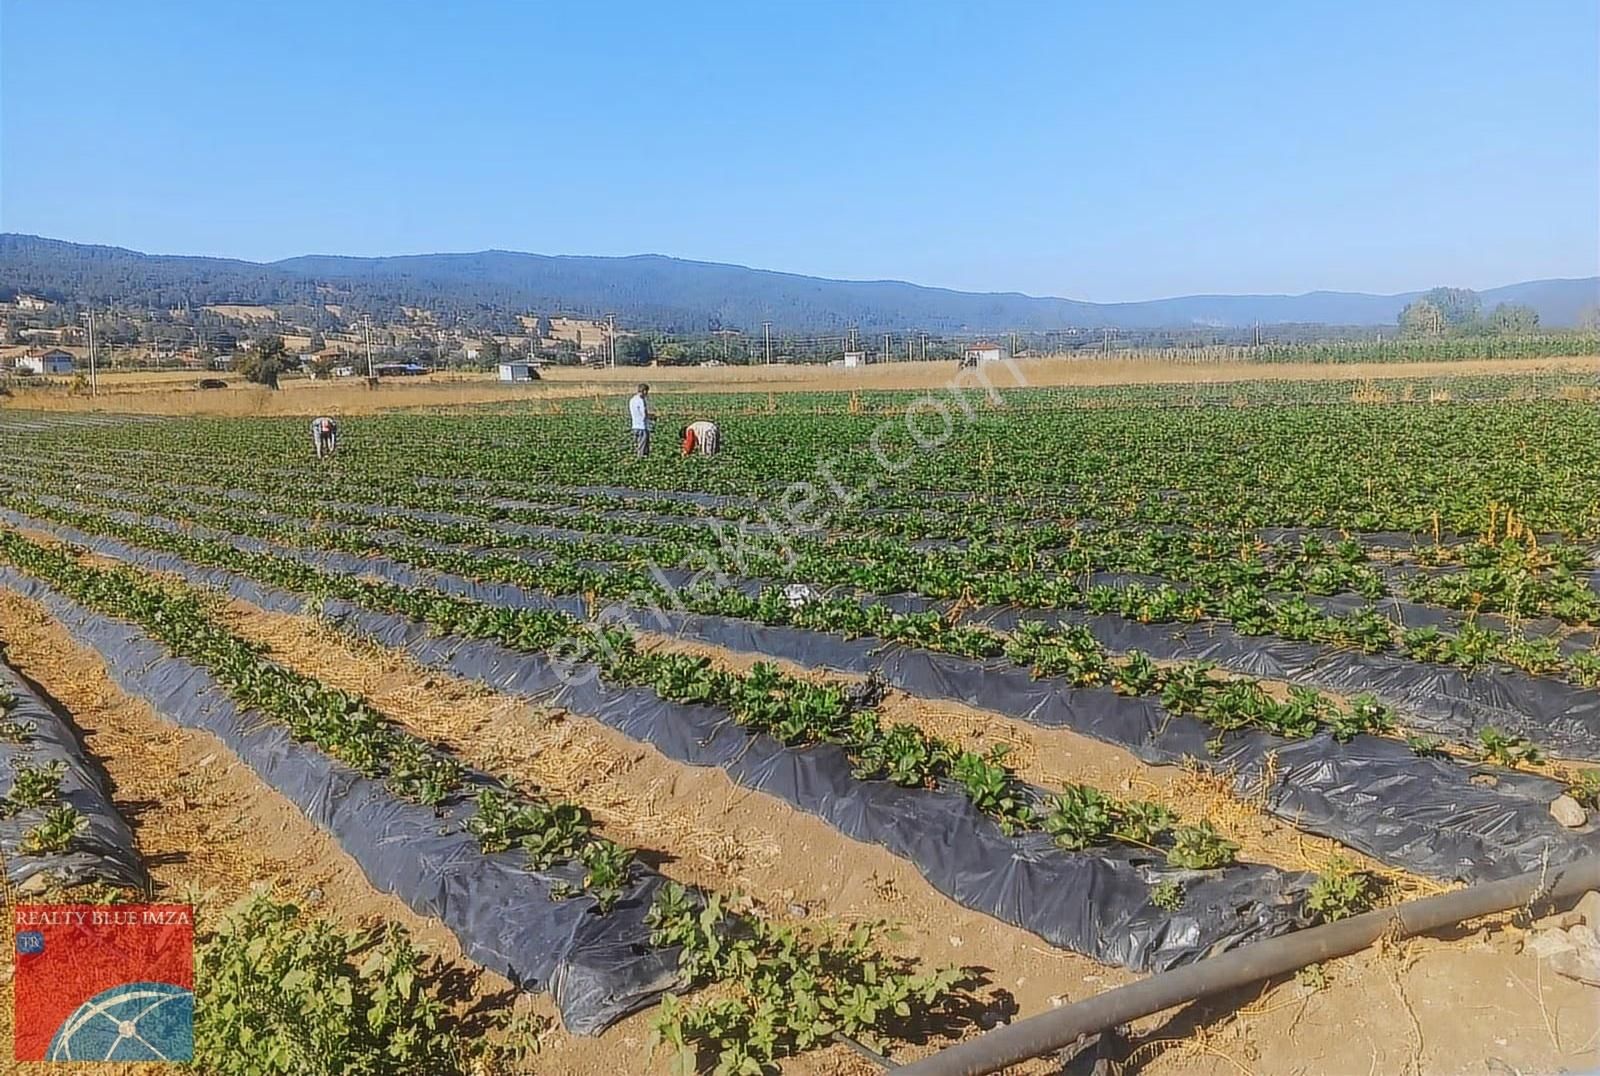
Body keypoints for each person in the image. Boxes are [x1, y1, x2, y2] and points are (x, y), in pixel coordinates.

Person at [628, 383, 654, 456]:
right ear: (644, 391)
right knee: (643, 448)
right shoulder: (641, 400)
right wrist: (652, 417)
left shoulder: (632, 400)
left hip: (634, 426)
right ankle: (641, 461)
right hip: (642, 427)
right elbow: (644, 414)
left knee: (638, 445)